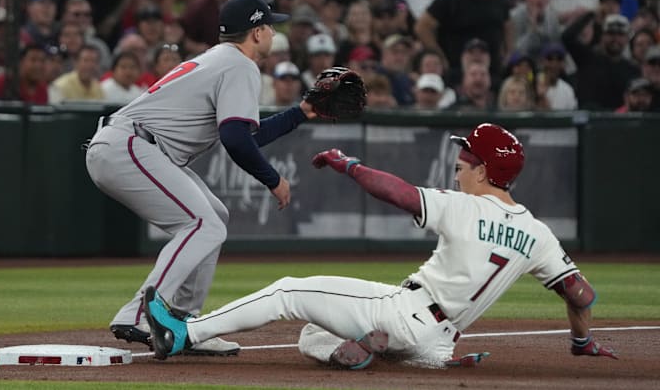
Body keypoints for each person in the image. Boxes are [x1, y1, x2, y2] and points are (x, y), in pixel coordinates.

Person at [142, 123, 619, 369]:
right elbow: (582, 295)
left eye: (465, 160)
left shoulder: (464, 206)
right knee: (313, 336)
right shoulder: (538, 232)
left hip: (404, 312)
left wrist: (348, 163)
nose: (458, 165)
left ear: (484, 171)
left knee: (287, 291)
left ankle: (184, 334)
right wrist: (581, 342)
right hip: (441, 337)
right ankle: (402, 359)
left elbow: (397, 192)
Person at [85, 0, 319, 356]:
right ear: (256, 33)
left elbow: (246, 132)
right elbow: (236, 139)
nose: (274, 31)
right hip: (131, 146)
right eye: (270, 25)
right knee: (202, 225)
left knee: (214, 219)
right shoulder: (239, 65)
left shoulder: (220, 60)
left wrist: (300, 112)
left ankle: (184, 325)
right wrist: (273, 179)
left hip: (129, 145)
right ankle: (140, 313)